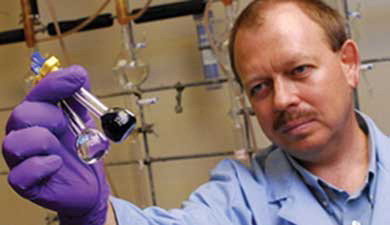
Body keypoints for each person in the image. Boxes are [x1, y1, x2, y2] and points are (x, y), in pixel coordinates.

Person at [3, 0, 390, 224]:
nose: (283, 99)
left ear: (349, 63)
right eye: (260, 87)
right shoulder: (239, 194)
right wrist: (97, 217)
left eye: (299, 70)